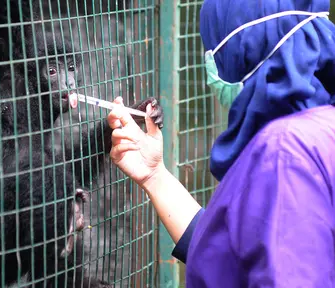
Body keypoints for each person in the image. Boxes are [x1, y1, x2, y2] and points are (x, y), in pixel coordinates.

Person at [107, 0, 335, 286]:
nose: (211, 74)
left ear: (241, 53)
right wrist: (155, 177)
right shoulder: (319, 131)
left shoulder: (285, 151)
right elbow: (233, 260)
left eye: (213, 54)